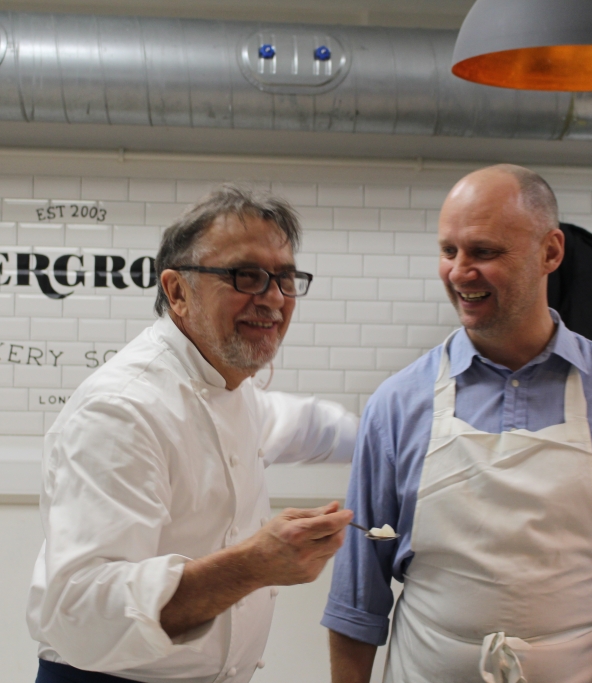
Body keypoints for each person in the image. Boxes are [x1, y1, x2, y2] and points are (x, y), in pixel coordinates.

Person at [323, 165, 592, 683]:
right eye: (449, 251)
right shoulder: (397, 404)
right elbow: (356, 603)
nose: (459, 272)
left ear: (550, 252)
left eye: (484, 252)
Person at [27, 185, 357, 683]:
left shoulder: (233, 388)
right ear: (178, 292)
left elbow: (308, 425)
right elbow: (82, 610)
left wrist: (397, 436)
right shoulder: (122, 410)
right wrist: (252, 565)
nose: (273, 298)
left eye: (285, 279)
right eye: (246, 276)